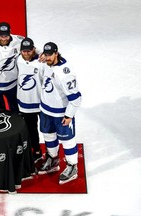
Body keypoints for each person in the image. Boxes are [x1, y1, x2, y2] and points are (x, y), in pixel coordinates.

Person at [38, 42, 82, 184]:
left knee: (67, 140)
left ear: (56, 53)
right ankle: (53, 159)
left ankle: (72, 166)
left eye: (50, 55)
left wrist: (69, 116)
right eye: (45, 54)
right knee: (48, 136)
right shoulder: (45, 63)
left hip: (61, 114)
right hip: (45, 110)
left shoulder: (65, 73)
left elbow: (76, 98)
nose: (47, 57)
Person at [16, 37, 50, 163]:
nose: (26, 53)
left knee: (47, 130)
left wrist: (42, 54)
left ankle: (51, 154)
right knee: (31, 129)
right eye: (24, 51)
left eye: (29, 51)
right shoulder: (18, 60)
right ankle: (36, 150)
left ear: (34, 50)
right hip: (25, 103)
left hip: (42, 102)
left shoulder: (42, 62)